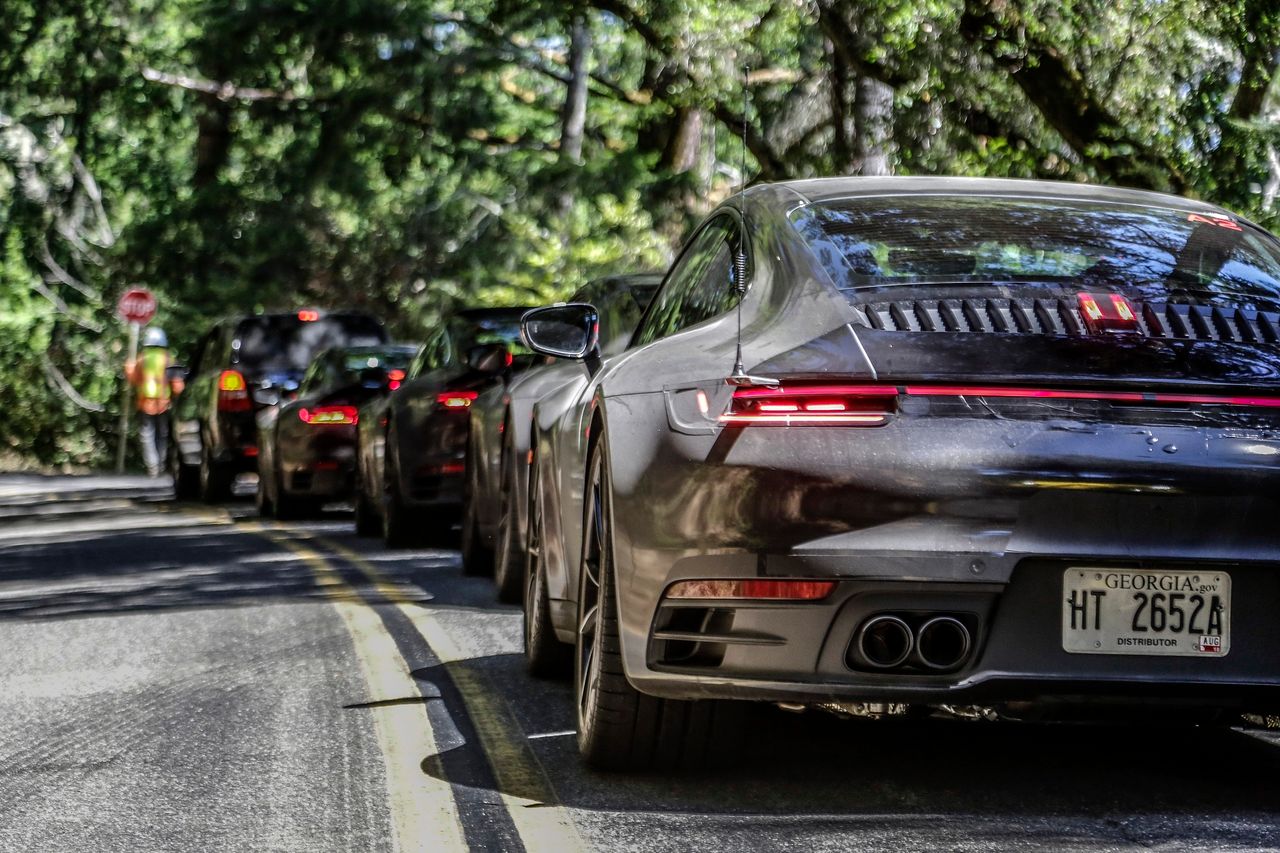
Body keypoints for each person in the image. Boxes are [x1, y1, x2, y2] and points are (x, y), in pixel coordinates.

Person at [125, 327, 184, 478]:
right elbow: (177, 385)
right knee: (162, 434)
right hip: (163, 403)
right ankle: (162, 464)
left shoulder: (141, 358)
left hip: (145, 403)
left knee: (147, 435)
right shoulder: (168, 358)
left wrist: (128, 368)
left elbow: (134, 379)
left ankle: (153, 466)